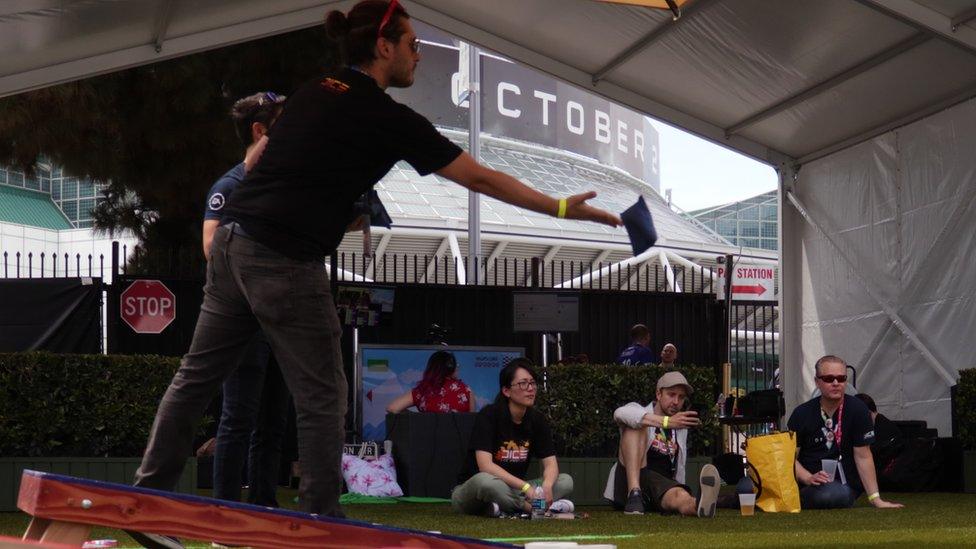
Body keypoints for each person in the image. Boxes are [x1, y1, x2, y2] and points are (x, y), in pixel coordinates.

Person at [130, 0, 619, 543]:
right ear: (383, 46)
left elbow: (260, 157)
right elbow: (478, 178)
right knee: (322, 396)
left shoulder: (315, 91)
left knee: (195, 379)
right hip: (285, 260)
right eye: (413, 44)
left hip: (232, 244)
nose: (419, 54)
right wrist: (557, 208)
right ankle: (320, 523)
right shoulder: (387, 117)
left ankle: (145, 501)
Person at [202, 92, 291, 508]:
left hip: (281, 323)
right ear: (260, 131)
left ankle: (264, 507)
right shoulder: (231, 185)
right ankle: (224, 511)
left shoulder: (283, 184)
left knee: (274, 422)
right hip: (244, 322)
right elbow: (210, 246)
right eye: (282, 122)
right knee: (238, 419)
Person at [451, 359, 574, 517]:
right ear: (506, 391)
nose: (530, 389)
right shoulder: (489, 415)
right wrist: (526, 488)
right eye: (523, 384)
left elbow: (550, 463)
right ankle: (533, 508)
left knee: (565, 481)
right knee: (486, 482)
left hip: (513, 489)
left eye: (532, 383)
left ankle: (499, 507)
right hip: (474, 490)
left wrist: (547, 485)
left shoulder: (537, 419)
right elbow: (485, 466)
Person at [787, 355, 903, 509]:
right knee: (831, 494)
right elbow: (788, 457)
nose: (836, 383)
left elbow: (863, 455)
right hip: (810, 484)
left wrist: (876, 499)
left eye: (841, 378)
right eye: (829, 378)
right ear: (817, 382)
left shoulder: (858, 409)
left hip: (846, 485)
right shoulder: (802, 413)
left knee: (838, 493)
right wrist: (808, 478)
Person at [603, 371, 720, 517]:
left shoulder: (680, 427)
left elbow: (679, 467)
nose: (676, 402)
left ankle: (698, 506)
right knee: (637, 426)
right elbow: (619, 413)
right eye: (671, 395)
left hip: (659, 487)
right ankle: (634, 494)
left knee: (680, 495)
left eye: (681, 397)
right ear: (658, 394)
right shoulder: (641, 412)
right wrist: (666, 422)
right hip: (630, 480)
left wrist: (679, 487)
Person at [386, 350, 475, 413]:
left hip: (428, 438)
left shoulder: (423, 390)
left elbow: (392, 408)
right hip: (458, 439)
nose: (457, 367)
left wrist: (416, 417)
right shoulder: (466, 390)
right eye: (455, 365)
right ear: (451, 368)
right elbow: (471, 422)